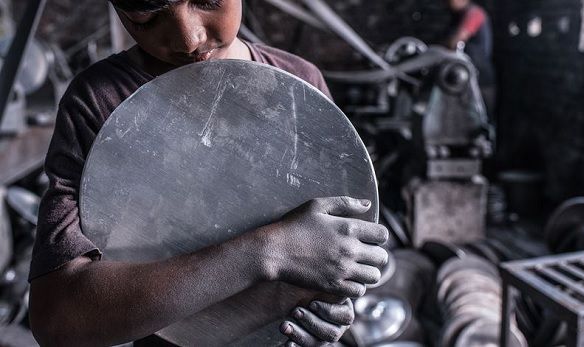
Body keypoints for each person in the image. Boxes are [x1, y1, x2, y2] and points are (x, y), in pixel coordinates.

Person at [27, 1, 389, 346]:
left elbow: (334, 248)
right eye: (146, 18)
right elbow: (59, 320)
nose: (188, 39)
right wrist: (268, 251)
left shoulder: (299, 82)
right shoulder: (100, 101)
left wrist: (328, 307)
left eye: (207, 0)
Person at [444, 0, 496, 115]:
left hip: (480, 79)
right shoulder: (458, 16)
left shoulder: (474, 14)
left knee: (481, 119)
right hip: (467, 77)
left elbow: (455, 41)